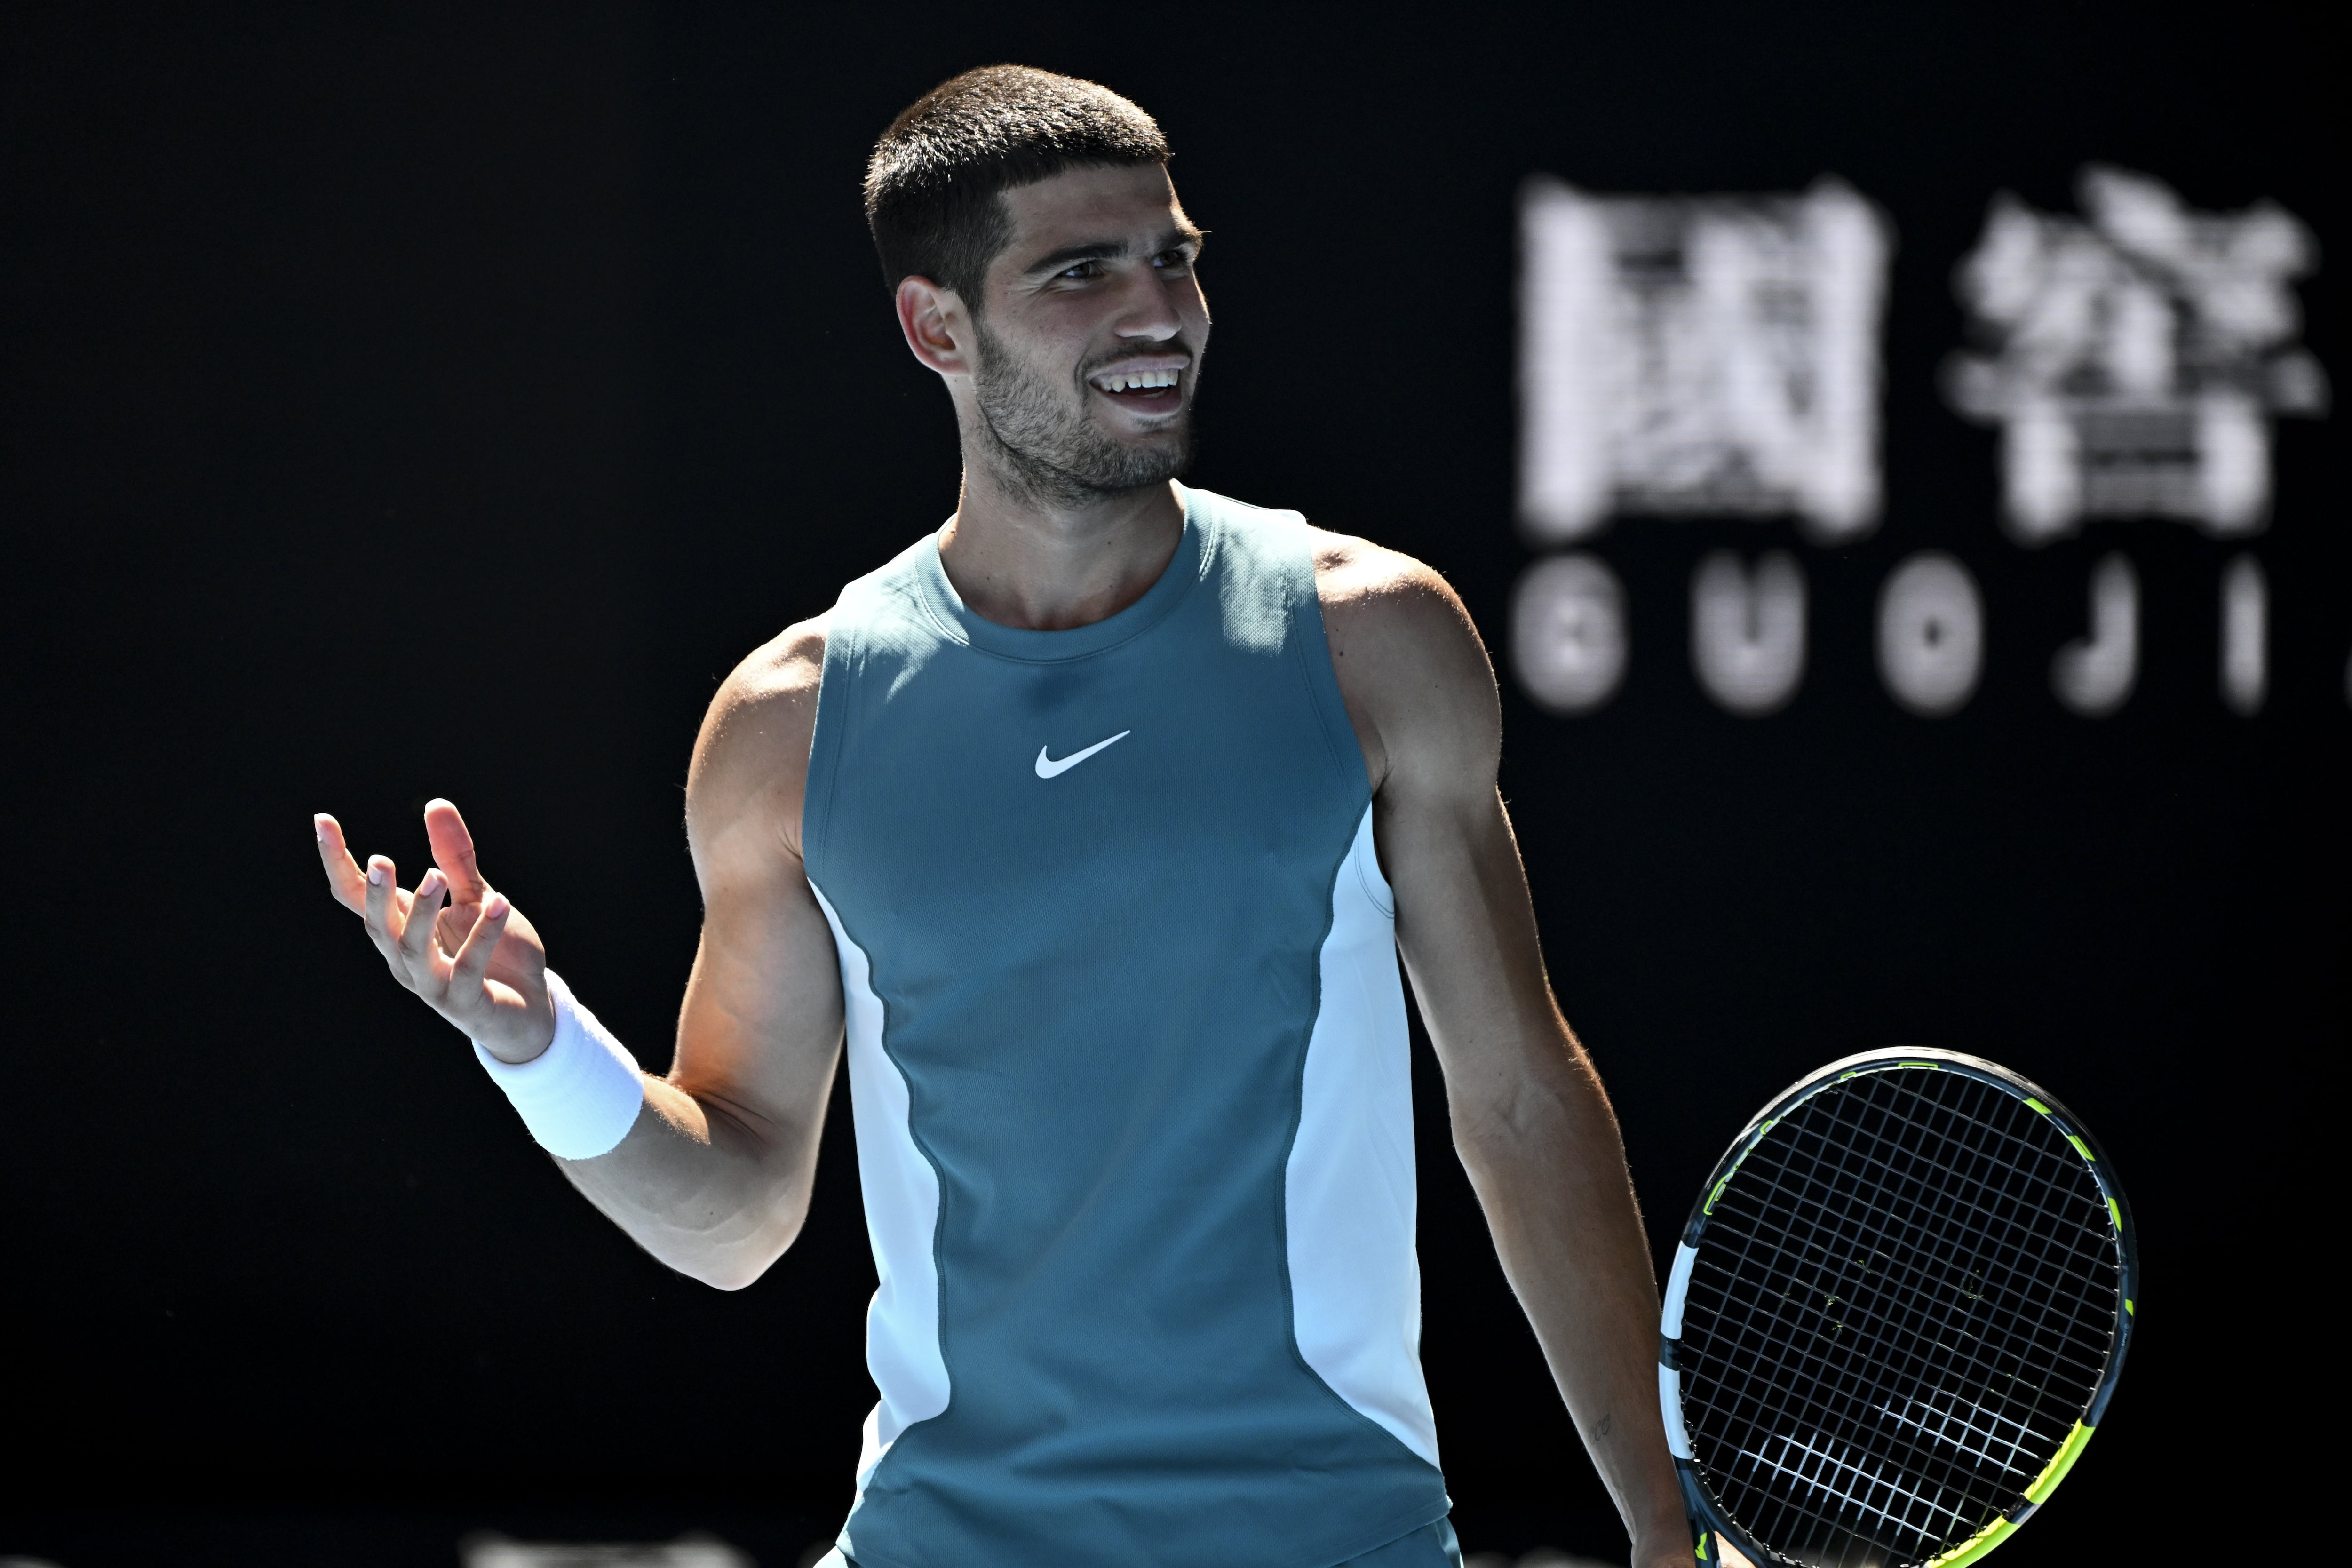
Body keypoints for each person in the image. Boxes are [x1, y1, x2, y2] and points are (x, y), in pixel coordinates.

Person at [314, 65, 1694, 1568]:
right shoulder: (790, 726)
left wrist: (1666, 1531)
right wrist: (540, 1050)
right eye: (1081, 272)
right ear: (939, 329)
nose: (1159, 311)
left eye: (1174, 258)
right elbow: (737, 1212)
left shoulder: (1373, 639)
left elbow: (1517, 1100)